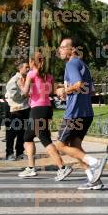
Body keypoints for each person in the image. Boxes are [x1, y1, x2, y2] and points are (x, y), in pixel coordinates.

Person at [54, 37, 106, 190]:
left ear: (72, 49)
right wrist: (67, 93)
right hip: (86, 113)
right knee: (76, 146)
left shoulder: (72, 63)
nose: (60, 50)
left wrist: (65, 90)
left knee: (60, 146)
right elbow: (90, 89)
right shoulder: (82, 64)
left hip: (74, 113)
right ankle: (93, 179)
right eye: (60, 47)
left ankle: (95, 162)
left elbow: (78, 84)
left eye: (64, 47)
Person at [18, 52, 72, 181]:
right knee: (27, 136)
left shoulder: (31, 74)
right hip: (47, 108)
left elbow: (24, 93)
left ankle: (62, 168)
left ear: (32, 62)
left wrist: (21, 85)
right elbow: (52, 91)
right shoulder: (49, 76)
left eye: (30, 62)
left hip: (38, 110)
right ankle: (31, 168)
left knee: (44, 138)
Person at [4, 61, 30, 161]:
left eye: (29, 67)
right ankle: (9, 153)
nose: (28, 69)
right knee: (12, 132)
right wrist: (25, 94)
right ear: (20, 68)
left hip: (25, 107)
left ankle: (20, 152)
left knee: (22, 132)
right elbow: (13, 95)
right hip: (14, 108)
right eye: (26, 67)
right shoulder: (14, 79)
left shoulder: (27, 79)